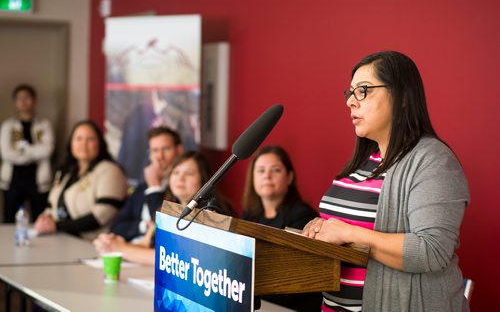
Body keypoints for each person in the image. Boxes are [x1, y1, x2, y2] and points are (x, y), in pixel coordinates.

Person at [302, 51, 470, 312]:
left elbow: (432, 251)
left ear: (402, 97)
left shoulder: (434, 160)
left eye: (363, 91)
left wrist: (348, 232)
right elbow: (345, 226)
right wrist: (322, 228)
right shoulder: (365, 161)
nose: (350, 103)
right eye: (350, 93)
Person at [93, 151, 235, 265]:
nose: (180, 178)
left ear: (205, 180)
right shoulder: (170, 206)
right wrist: (111, 243)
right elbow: (146, 244)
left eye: (189, 173)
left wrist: (122, 249)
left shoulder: (212, 210)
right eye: (176, 172)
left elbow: (179, 259)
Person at [241, 145, 322, 312]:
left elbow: (294, 276)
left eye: (275, 170)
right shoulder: (249, 215)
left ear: (289, 177)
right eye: (261, 170)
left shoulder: (302, 216)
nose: (267, 176)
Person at [34, 120, 128, 240]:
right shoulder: (66, 172)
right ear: (71, 143)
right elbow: (51, 205)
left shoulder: (111, 171)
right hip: (61, 239)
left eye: (90, 139)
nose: (83, 144)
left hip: (94, 244)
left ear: (99, 143)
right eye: (78, 139)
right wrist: (45, 218)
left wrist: (57, 226)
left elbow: (101, 216)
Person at [109, 126, 183, 242]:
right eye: (155, 150)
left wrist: (154, 187)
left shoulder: (182, 187)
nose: (160, 156)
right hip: (131, 251)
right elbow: (116, 227)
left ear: (179, 150)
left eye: (166, 149)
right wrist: (144, 226)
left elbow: (165, 227)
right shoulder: (142, 187)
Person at [0, 84, 55, 222]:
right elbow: (6, 153)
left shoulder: (44, 124)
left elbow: (47, 150)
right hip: (13, 179)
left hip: (37, 179)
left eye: (27, 97)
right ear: (15, 102)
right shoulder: (8, 125)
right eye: (19, 98)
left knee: (39, 217)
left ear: (34, 100)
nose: (23, 101)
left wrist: (22, 150)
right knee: (9, 218)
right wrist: (34, 151)